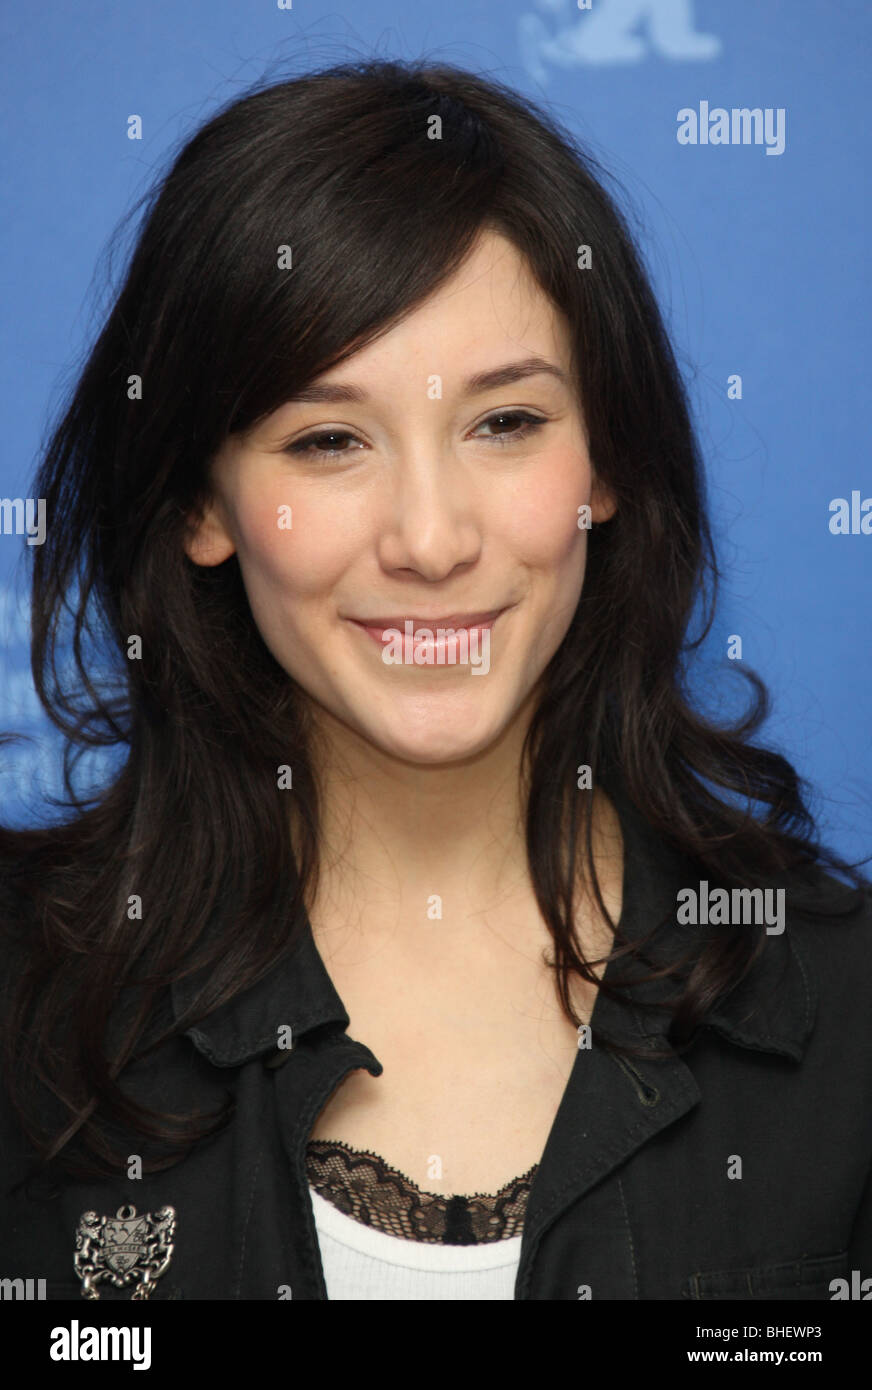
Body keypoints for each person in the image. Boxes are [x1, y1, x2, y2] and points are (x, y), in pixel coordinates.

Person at [1, 56, 869, 1303]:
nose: (429, 538)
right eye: (328, 440)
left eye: (504, 423)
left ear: (606, 461)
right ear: (202, 504)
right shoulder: (24, 998)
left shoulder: (838, 999)